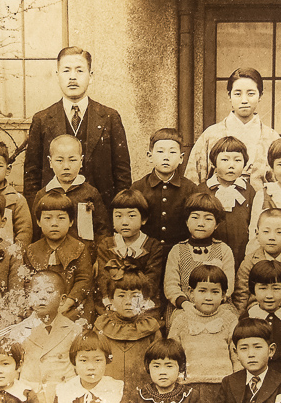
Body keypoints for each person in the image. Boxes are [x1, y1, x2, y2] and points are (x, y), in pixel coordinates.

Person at [24, 46, 131, 206]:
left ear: (91, 76)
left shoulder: (109, 117)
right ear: (57, 75)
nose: (72, 77)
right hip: (54, 214)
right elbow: (32, 174)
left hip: (100, 212)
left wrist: (120, 213)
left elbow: (122, 173)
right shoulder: (42, 119)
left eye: (79, 71)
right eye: (66, 71)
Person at [186, 67, 279, 190]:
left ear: (260, 96)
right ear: (229, 96)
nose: (244, 100)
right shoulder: (211, 134)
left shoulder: (271, 137)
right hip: (216, 205)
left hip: (261, 206)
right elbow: (193, 180)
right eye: (237, 94)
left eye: (251, 93)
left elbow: (280, 183)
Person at [167, 264, 239, 403]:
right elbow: (172, 355)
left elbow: (237, 356)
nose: (208, 297)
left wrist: (237, 385)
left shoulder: (229, 319)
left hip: (222, 386)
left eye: (215, 292)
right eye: (202, 291)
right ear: (191, 293)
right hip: (188, 387)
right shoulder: (181, 320)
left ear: (224, 295)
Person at [19, 271, 86, 403]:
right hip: (32, 402)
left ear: (62, 300)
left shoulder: (74, 330)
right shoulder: (19, 331)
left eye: (49, 291)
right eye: (36, 291)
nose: (42, 296)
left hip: (64, 401)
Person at [22, 189, 95, 321]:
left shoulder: (79, 248)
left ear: (71, 221)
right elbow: (28, 282)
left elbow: (84, 280)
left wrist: (68, 303)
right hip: (41, 305)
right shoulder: (32, 250)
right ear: (38, 222)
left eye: (61, 218)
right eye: (47, 218)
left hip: (72, 307)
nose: (54, 223)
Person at [163, 192, 236, 322]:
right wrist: (185, 303)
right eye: (195, 218)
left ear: (217, 224)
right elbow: (171, 285)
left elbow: (228, 286)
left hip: (217, 306)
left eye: (208, 219)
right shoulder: (177, 250)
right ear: (186, 221)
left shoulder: (223, 250)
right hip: (184, 307)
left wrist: (213, 302)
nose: (201, 223)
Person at [94, 189, 165, 316]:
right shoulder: (106, 245)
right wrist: (112, 302)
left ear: (143, 219)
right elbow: (104, 279)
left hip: (142, 300)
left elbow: (152, 280)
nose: (124, 222)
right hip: (113, 300)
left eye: (131, 216)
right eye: (118, 216)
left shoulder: (153, 246)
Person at [31, 134, 110, 243]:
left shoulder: (91, 193)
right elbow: (36, 232)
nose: (66, 166)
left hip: (85, 254)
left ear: (81, 161)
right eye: (59, 160)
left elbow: (102, 230)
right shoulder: (43, 194)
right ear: (50, 162)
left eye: (72, 160)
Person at [93, 271, 162, 395]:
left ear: (145, 300)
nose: (128, 302)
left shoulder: (150, 327)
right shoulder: (102, 326)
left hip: (143, 393)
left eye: (135, 296)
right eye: (121, 296)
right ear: (111, 299)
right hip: (108, 392)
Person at [131, 128, 198, 248]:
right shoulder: (138, 188)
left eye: (172, 152)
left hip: (180, 252)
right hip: (146, 253)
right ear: (149, 156)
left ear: (181, 158)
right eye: (160, 152)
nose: (166, 157)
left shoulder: (190, 189)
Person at [201, 136, 255, 267]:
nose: (231, 165)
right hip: (208, 250)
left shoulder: (249, 191)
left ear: (245, 163)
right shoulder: (203, 190)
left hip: (240, 250)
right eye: (224, 160)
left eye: (237, 160)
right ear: (214, 162)